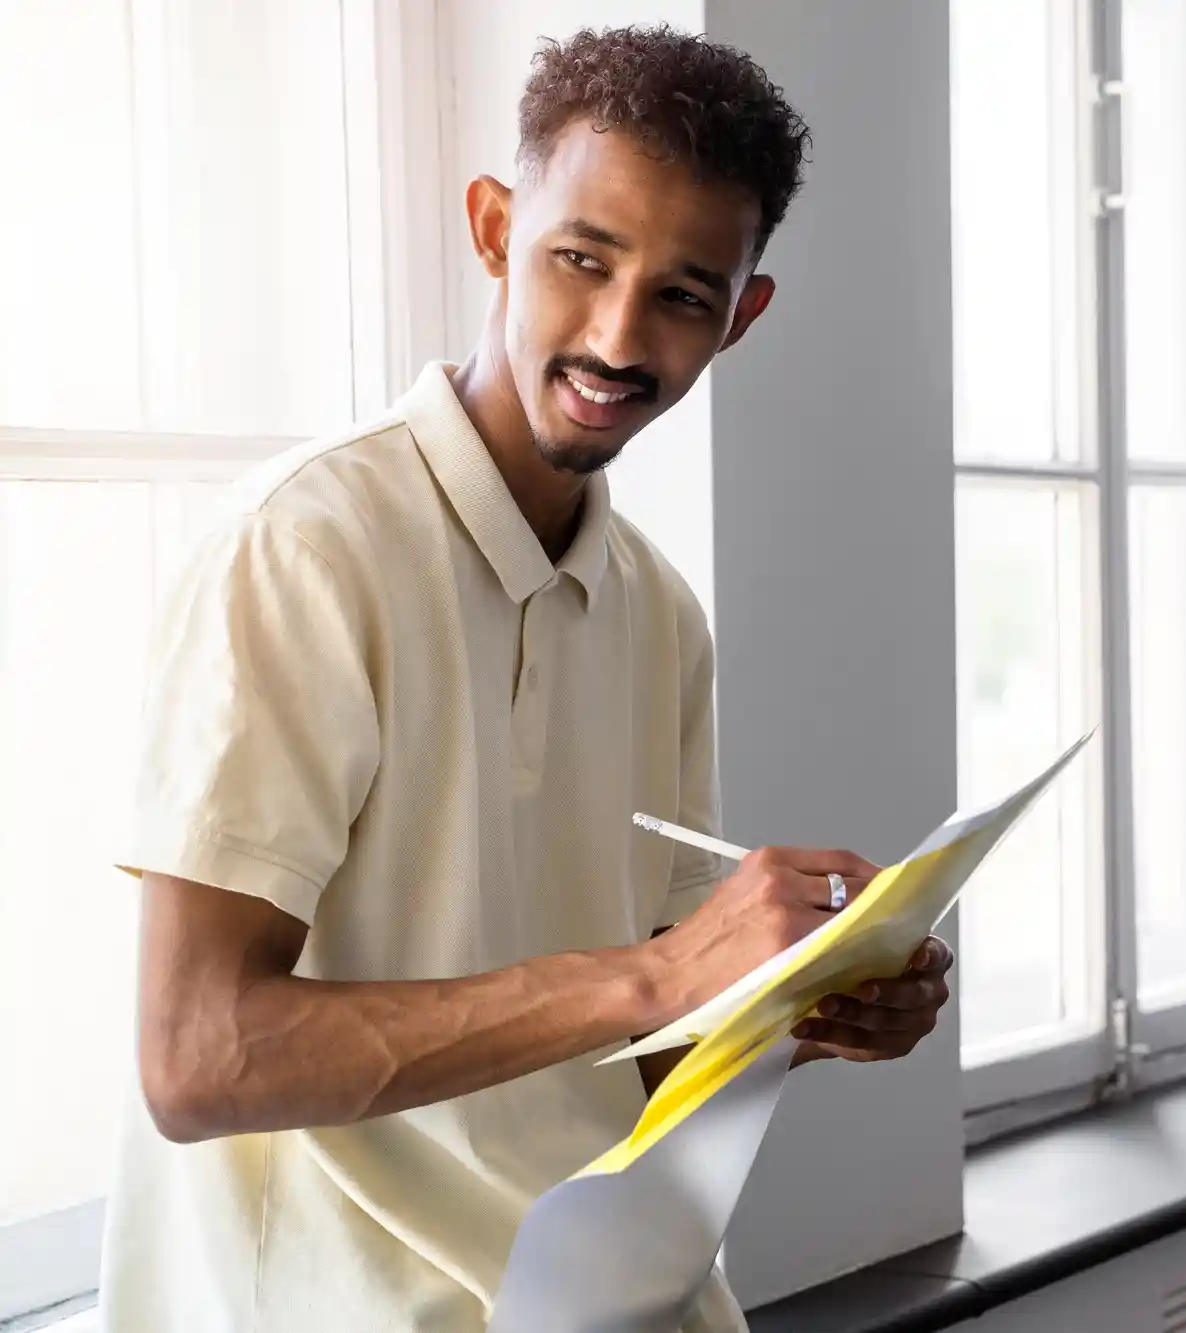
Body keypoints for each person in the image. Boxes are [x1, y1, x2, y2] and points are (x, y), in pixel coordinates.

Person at [101, 25, 951, 1333]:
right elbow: (197, 1060)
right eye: (582, 260)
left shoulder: (657, 611)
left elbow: (646, 1063)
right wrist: (660, 977)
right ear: (496, 230)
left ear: (744, 317)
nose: (619, 337)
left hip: (624, 1305)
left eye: (682, 293)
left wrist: (803, 1001)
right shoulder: (304, 548)